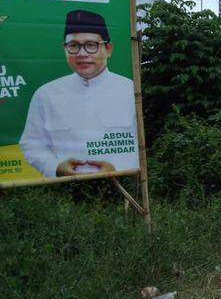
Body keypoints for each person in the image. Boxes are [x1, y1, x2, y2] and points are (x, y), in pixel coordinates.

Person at [19, 10, 139, 177]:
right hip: (62, 190)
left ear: (108, 49)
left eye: (91, 45)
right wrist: (55, 167)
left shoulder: (131, 91)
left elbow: (148, 142)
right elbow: (31, 144)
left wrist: (119, 168)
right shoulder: (46, 94)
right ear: (65, 49)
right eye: (74, 45)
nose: (82, 54)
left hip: (123, 184)